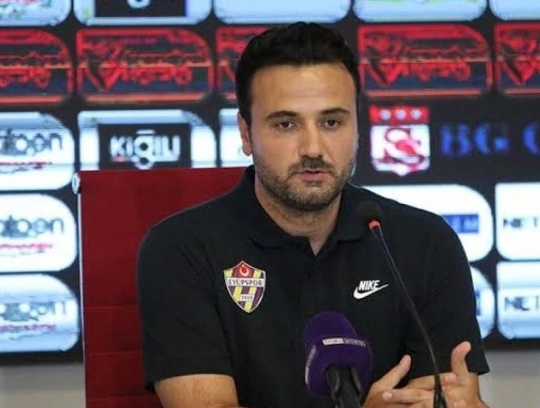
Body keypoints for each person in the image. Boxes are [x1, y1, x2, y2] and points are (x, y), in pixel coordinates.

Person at [136, 22, 490, 408]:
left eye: (331, 122)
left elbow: (446, 396)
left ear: (357, 127)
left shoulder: (426, 242)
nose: (313, 148)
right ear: (246, 134)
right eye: (286, 124)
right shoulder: (182, 249)